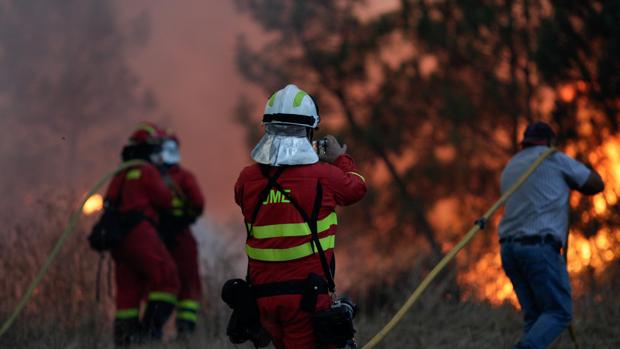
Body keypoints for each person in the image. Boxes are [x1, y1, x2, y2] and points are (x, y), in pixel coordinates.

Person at [234, 84, 367, 349]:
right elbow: (357, 187)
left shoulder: (247, 179)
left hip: (263, 298)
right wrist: (340, 158)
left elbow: (243, 199)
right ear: (308, 131)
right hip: (305, 299)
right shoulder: (323, 177)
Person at [498, 121, 604, 349]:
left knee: (535, 318)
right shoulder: (553, 158)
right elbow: (596, 184)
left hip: (509, 249)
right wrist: (582, 166)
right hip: (538, 247)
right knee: (559, 312)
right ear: (549, 142)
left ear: (524, 142)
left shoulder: (511, 166)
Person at [106, 122, 180, 346]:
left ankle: (124, 338)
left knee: (128, 290)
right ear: (146, 148)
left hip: (119, 240)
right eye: (155, 148)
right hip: (141, 234)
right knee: (167, 280)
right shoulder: (147, 171)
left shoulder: (121, 172)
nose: (159, 153)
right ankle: (148, 333)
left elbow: (108, 200)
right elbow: (165, 200)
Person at [158, 128, 205, 339]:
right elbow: (198, 204)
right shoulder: (184, 177)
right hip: (180, 238)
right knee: (188, 284)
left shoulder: (149, 175)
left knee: (160, 282)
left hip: (156, 238)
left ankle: (152, 331)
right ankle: (185, 332)